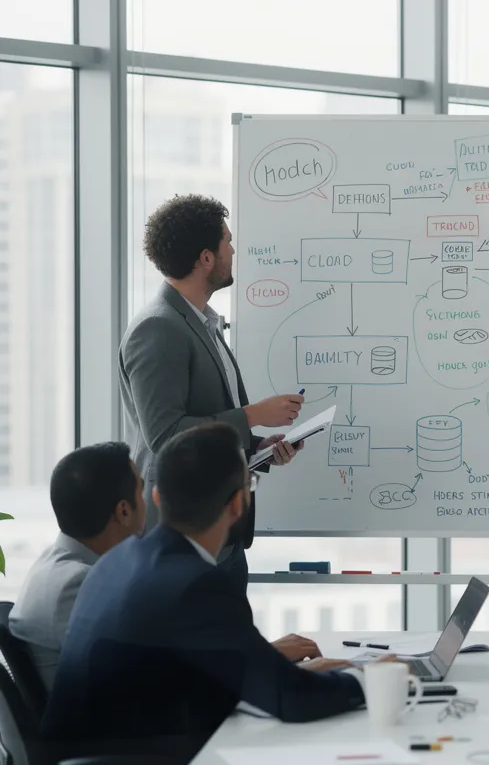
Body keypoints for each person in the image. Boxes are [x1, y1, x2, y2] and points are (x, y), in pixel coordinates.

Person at [44, 424, 372, 751]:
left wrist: (275, 673)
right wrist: (370, 678)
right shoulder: (196, 583)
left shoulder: (117, 561)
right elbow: (292, 699)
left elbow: (183, 675)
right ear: (238, 502)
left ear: (157, 497)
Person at [120, 194, 305, 591]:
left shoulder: (203, 324)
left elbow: (204, 425)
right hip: (182, 537)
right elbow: (166, 435)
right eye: (227, 242)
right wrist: (254, 415)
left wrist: (258, 447)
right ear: (206, 258)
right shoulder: (158, 329)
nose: (233, 250)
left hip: (221, 535)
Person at [9, 443, 147, 690]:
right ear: (124, 511)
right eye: (142, 489)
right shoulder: (77, 585)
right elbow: (130, 681)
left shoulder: (51, 566)